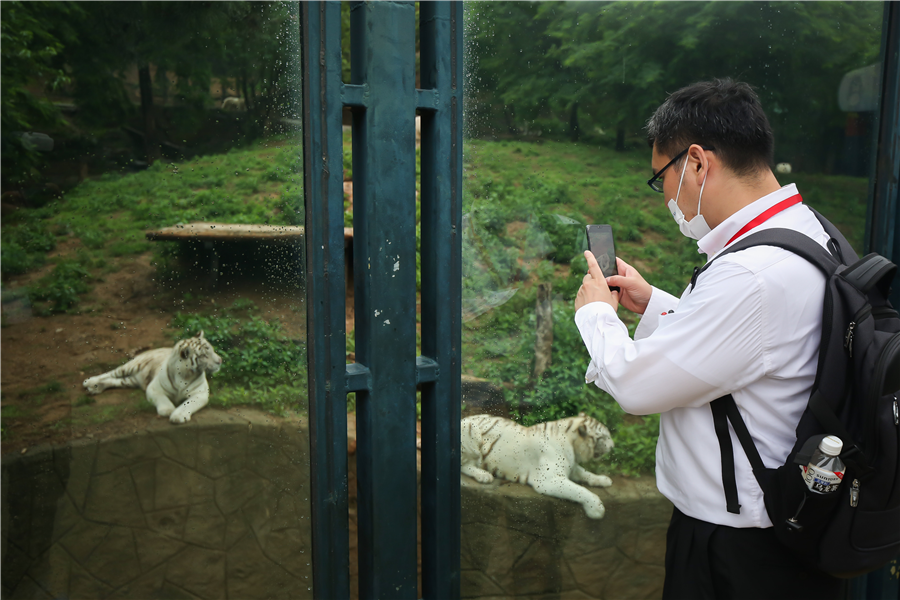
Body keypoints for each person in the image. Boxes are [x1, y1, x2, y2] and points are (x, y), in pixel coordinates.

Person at [573, 79, 844, 599]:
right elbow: (752, 351)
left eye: (662, 178)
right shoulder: (807, 231)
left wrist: (596, 316)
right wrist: (653, 302)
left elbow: (636, 385)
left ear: (697, 163)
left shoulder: (753, 275)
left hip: (740, 551)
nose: (666, 199)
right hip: (786, 531)